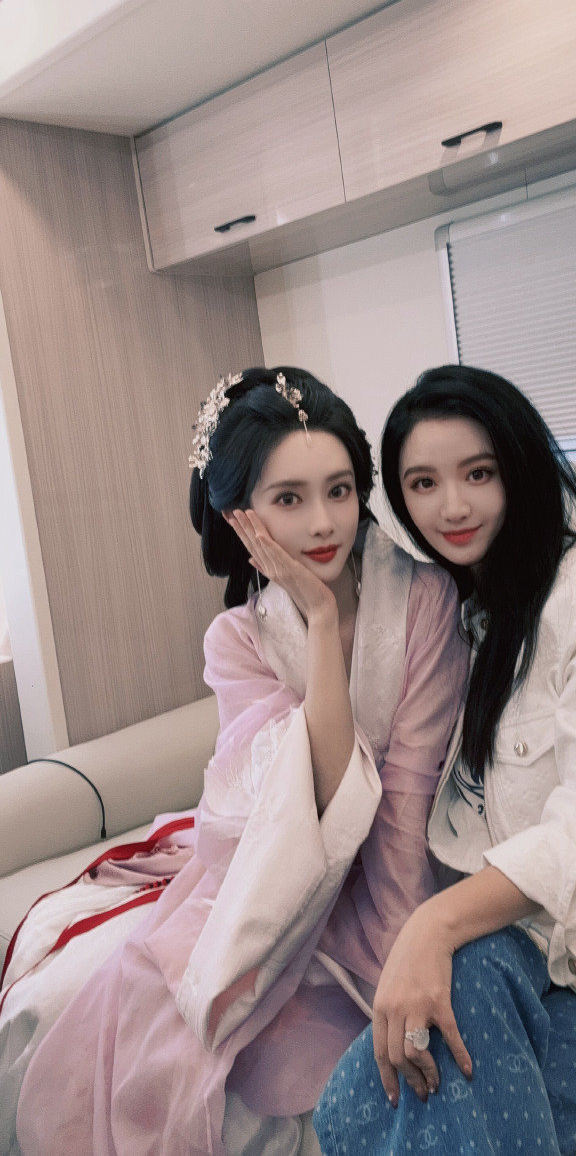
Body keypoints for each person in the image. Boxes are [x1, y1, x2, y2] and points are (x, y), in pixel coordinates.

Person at [7, 367, 467, 1156]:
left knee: (305, 1065)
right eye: (289, 498)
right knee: (103, 1016)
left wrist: (401, 958)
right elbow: (314, 795)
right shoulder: (238, 639)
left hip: (406, 870)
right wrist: (318, 619)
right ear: (240, 516)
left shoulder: (424, 598)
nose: (323, 522)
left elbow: (404, 801)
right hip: (285, 874)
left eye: (340, 490)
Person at [314, 365, 576, 1156]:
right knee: (348, 1105)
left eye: (478, 473)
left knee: (437, 1036)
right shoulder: (463, 618)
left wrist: (436, 922)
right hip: (531, 978)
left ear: (520, 469)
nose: (451, 506)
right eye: (423, 483)